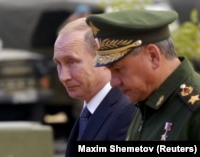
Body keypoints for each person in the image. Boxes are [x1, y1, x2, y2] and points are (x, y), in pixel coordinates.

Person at [85, 9, 200, 140]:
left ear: (153, 56)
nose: (113, 82)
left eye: (118, 69)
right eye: (110, 71)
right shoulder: (145, 101)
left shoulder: (194, 110)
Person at [53, 17, 135, 156]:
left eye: (72, 62)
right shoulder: (90, 111)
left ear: (103, 59)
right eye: (58, 64)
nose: (63, 77)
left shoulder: (126, 111)